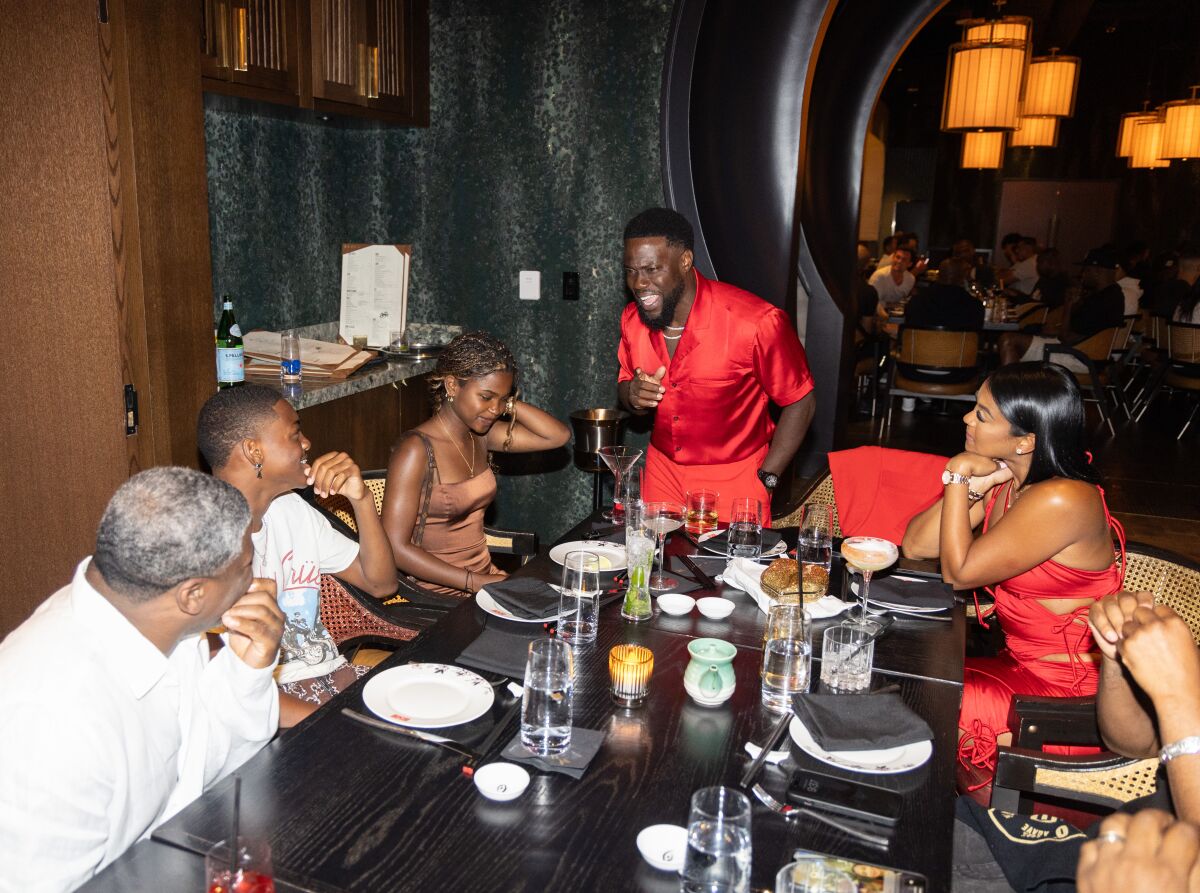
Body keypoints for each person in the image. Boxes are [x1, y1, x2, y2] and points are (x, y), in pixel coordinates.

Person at [0, 468, 283, 891]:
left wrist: (246, 671)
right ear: (192, 595)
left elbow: (205, 778)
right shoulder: (48, 721)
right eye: (246, 565)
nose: (258, 579)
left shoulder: (161, 625)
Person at [902, 362, 1125, 792]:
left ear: (1026, 440)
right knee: (913, 673)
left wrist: (958, 477)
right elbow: (916, 546)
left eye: (982, 415)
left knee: (931, 698)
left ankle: (980, 832)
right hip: (1019, 669)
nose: (967, 419)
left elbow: (958, 571)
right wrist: (976, 486)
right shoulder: (1014, 484)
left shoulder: (1062, 499)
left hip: (1068, 702)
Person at [198, 384, 399, 727]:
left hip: (331, 680)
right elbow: (223, 684)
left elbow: (380, 583)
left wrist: (361, 499)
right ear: (254, 451)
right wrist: (343, 723)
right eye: (295, 433)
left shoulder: (291, 511)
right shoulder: (202, 537)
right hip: (272, 706)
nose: (306, 444)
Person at [617, 207, 815, 514]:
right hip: (661, 472)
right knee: (653, 560)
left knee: (732, 563)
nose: (640, 283)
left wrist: (768, 477)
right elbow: (625, 384)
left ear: (684, 261)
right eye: (631, 271)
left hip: (735, 477)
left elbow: (801, 400)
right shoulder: (633, 320)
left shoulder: (757, 322)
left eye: (652, 269)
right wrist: (632, 395)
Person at [381, 331, 569, 594]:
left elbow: (557, 436)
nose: (495, 409)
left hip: (486, 580)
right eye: (486, 396)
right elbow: (394, 547)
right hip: (437, 593)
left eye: (502, 399)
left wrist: (508, 404)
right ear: (452, 386)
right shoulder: (416, 450)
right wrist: (473, 582)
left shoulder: (482, 434)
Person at [1090, 591, 1200, 821]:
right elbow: (1137, 743)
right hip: (1133, 834)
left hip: (1160, 850)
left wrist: (1175, 696)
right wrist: (1119, 657)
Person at [999, 246, 1127, 368]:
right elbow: (1084, 331)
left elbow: (1066, 337)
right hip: (1085, 353)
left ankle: (1011, 389)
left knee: (1008, 340)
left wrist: (1068, 305)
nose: (1082, 274)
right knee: (1016, 337)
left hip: (1082, 357)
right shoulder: (1111, 295)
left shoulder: (1103, 300)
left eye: (1086, 270)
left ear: (1097, 272)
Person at [904, 256, 984, 331]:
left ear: (939, 275)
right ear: (964, 277)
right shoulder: (975, 307)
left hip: (920, 345)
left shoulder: (917, 301)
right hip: (959, 345)